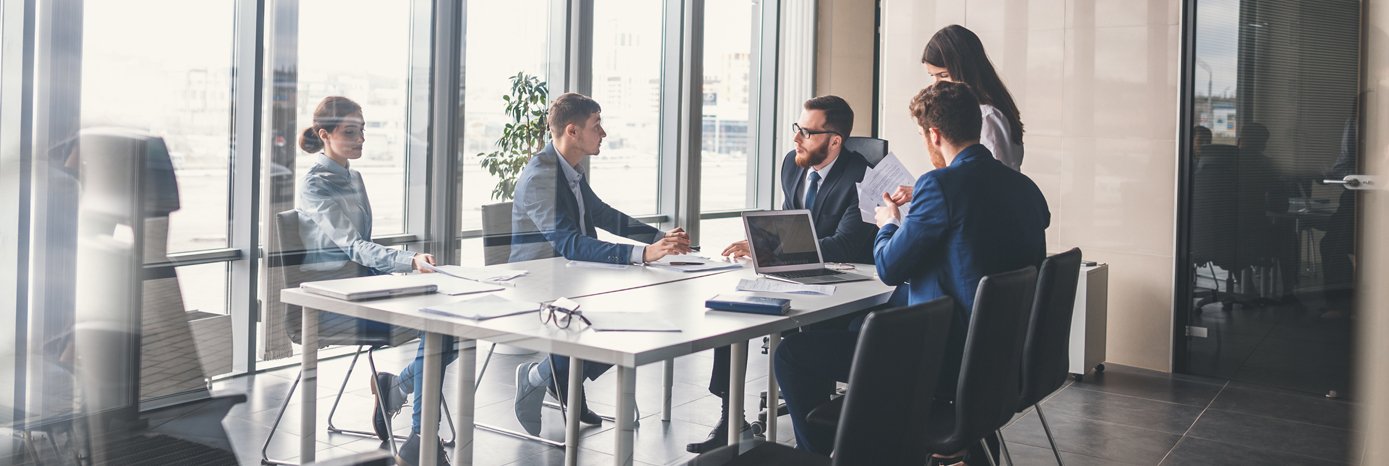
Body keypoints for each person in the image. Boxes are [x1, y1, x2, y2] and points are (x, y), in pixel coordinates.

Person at [772, 81, 1049, 460]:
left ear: (934, 134)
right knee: (859, 326)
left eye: (922, 135)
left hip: (939, 358)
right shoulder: (1025, 187)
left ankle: (819, 457)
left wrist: (888, 222)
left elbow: (888, 266)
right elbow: (978, 239)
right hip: (999, 357)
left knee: (791, 353)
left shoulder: (939, 185)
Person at [688, 96, 880, 454]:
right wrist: (761, 243)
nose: (796, 139)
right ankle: (733, 420)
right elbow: (790, 225)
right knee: (734, 309)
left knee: (802, 347)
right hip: (795, 274)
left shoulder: (862, 179)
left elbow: (845, 245)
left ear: (834, 140)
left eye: (807, 132)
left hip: (845, 286)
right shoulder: (793, 166)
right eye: (798, 129)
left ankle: (818, 444)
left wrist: (773, 250)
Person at [510, 92, 692, 436]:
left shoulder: (569, 170)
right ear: (572, 131)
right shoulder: (540, 177)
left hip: (572, 278)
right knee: (615, 324)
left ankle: (559, 378)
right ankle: (539, 377)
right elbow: (568, 242)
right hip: (538, 284)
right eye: (597, 125)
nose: (604, 133)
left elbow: (602, 214)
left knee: (628, 320)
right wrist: (641, 255)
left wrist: (659, 239)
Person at [296, 96, 446, 466]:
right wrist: (406, 261)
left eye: (362, 130)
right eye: (350, 131)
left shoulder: (354, 176)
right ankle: (420, 437)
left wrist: (405, 270)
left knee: (451, 323)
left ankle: (396, 389)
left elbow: (363, 247)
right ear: (324, 134)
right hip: (332, 302)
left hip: (364, 289)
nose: (361, 138)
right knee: (438, 325)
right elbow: (353, 245)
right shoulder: (315, 184)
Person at [922, 24, 1025, 172]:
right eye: (933, 76)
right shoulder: (973, 111)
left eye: (943, 75)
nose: (936, 86)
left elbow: (994, 183)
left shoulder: (987, 116)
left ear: (965, 70)